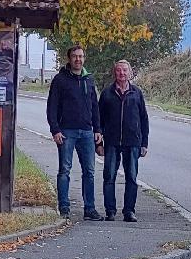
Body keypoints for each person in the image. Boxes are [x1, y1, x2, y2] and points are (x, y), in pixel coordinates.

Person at [47, 45, 104, 221]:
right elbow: (52, 107)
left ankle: (90, 209)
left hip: (87, 132)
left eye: (80, 56)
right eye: (74, 56)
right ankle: (64, 207)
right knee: (65, 170)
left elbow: (95, 106)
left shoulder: (89, 80)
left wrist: (98, 130)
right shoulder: (60, 80)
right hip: (66, 132)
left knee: (89, 171)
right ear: (69, 59)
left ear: (84, 58)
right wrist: (55, 129)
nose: (78, 60)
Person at [98, 60, 149, 222]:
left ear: (130, 72)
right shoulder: (107, 93)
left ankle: (129, 211)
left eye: (125, 70)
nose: (122, 73)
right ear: (115, 73)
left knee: (132, 178)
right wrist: (98, 143)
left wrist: (144, 143)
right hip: (112, 141)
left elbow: (143, 119)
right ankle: (110, 211)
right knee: (109, 177)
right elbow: (99, 120)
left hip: (132, 141)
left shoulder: (137, 93)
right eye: (119, 70)